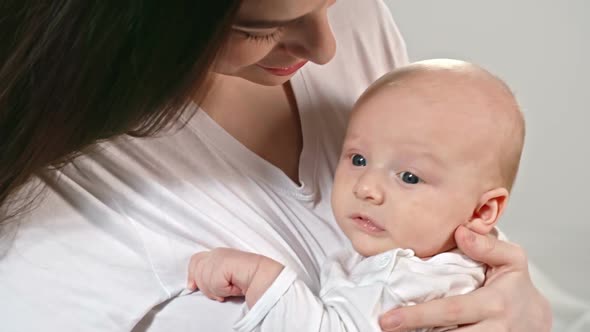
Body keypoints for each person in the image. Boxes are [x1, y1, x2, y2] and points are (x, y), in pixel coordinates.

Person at [0, 1, 551, 331]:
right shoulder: (64, 196)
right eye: (259, 27)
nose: (327, 46)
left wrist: (526, 312)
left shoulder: (366, 32)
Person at [186, 59, 525, 331]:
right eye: (358, 159)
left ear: (482, 212)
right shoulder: (458, 262)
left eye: (409, 177)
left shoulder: (408, 281)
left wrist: (261, 277)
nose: (366, 188)